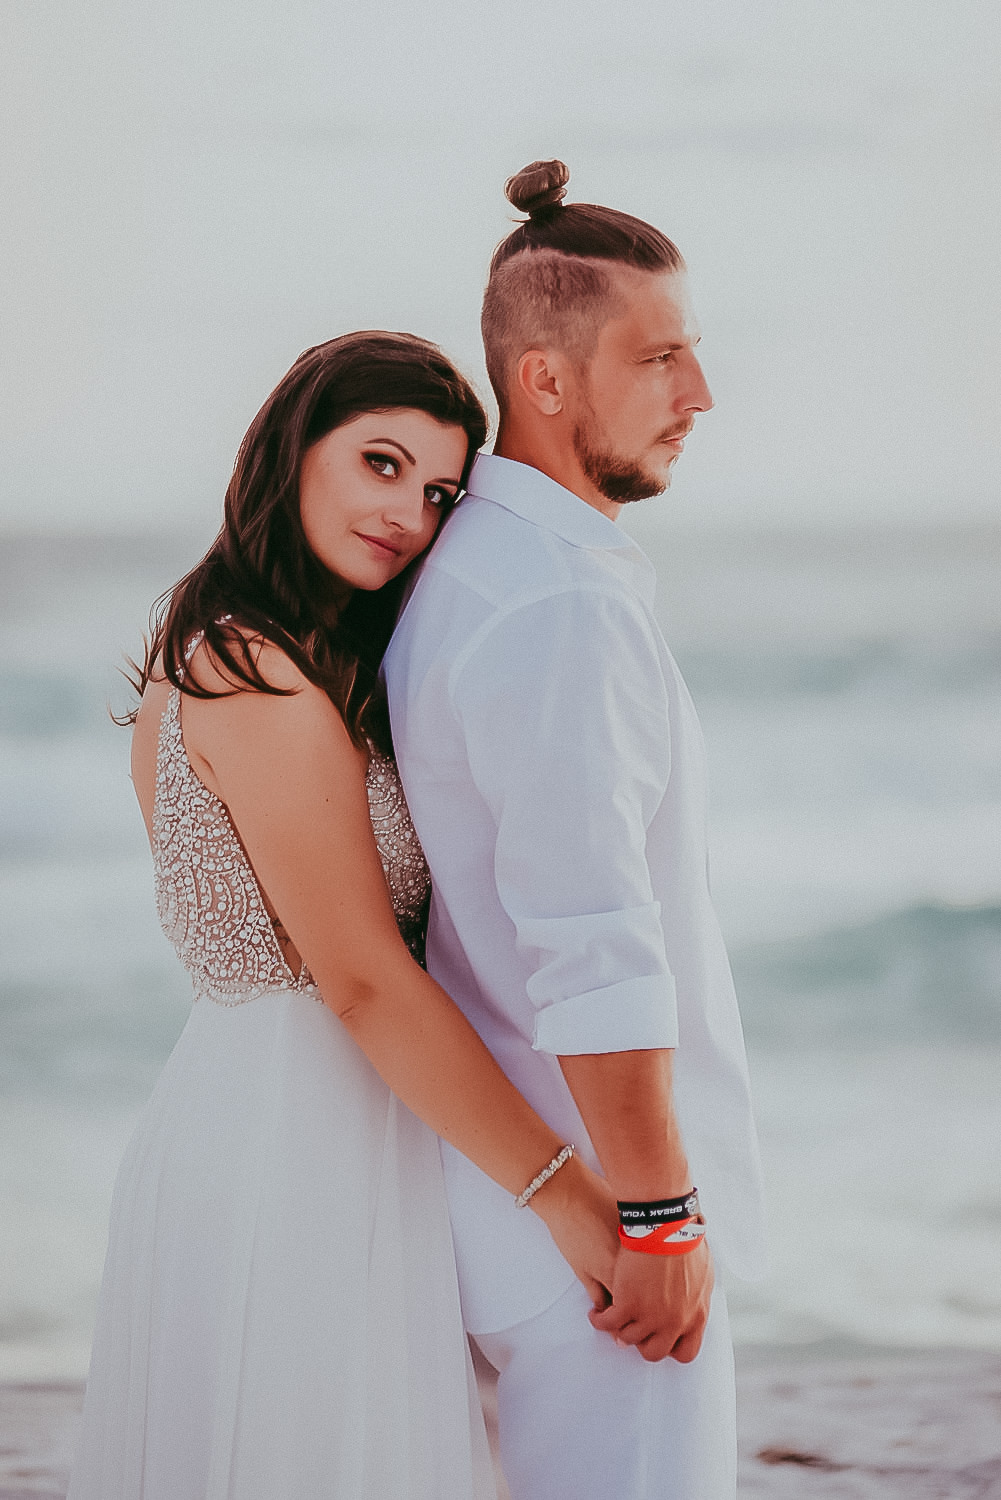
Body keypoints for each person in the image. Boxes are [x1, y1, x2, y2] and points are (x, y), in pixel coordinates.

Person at [67, 330, 621, 1500]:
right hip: (289, 1141)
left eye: (434, 491)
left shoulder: (253, 647)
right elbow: (361, 978)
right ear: (291, 450)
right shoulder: (249, 673)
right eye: (378, 463)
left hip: (293, 1117)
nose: (407, 514)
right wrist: (565, 1195)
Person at [383, 163, 768, 1500]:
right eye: (659, 358)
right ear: (544, 382)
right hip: (596, 1241)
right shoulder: (551, 603)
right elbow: (591, 939)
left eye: (694, 354)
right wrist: (658, 1217)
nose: (699, 395)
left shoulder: (483, 563)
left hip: (519, 1206)